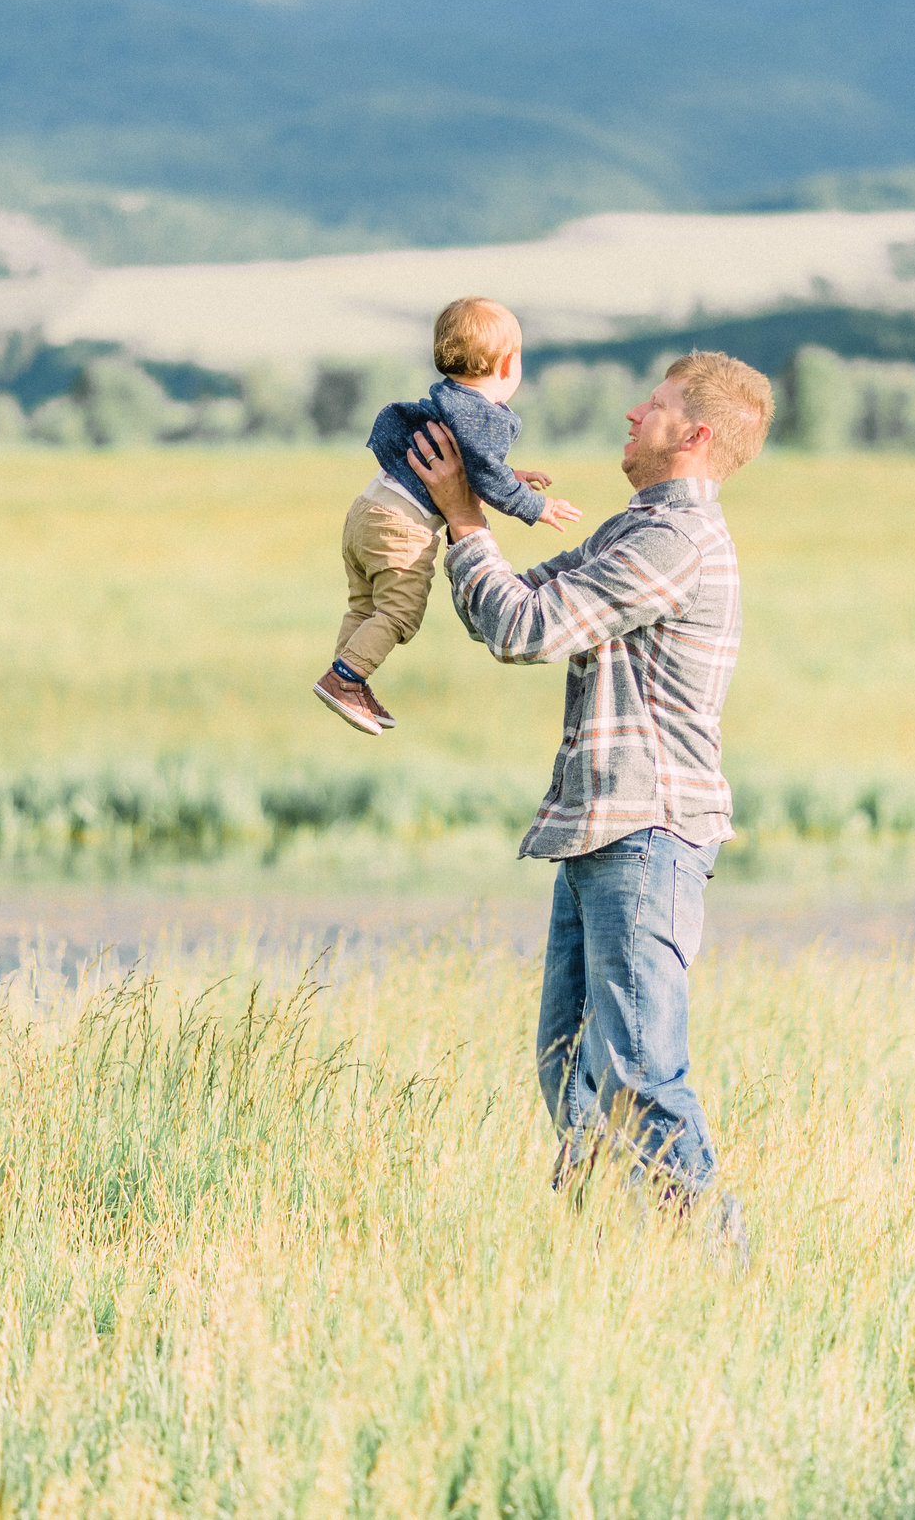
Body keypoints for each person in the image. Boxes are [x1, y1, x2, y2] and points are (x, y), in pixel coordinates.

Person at [406, 350, 773, 1260]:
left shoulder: (670, 544)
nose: (631, 412)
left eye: (653, 405)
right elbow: (518, 600)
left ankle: (723, 1267)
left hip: (645, 831)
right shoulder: (633, 527)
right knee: (570, 1070)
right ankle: (602, 1260)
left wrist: (462, 518)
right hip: (604, 829)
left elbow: (526, 631)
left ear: (691, 436)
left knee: (642, 1068)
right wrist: (476, 503)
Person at [313, 296, 582, 734]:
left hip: (368, 510)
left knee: (365, 606)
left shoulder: (450, 400)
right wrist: (538, 507)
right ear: (509, 363)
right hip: (402, 527)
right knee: (400, 614)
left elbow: (471, 465)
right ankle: (345, 679)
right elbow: (485, 479)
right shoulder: (484, 416)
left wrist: (511, 473)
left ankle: (350, 678)